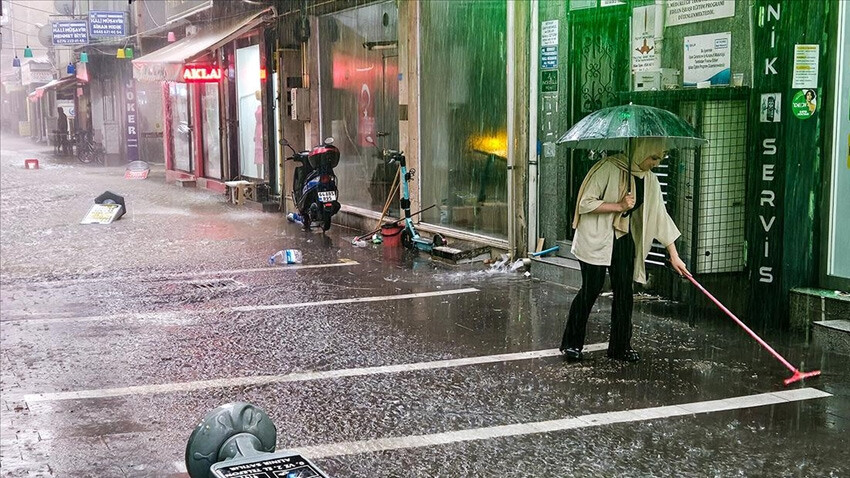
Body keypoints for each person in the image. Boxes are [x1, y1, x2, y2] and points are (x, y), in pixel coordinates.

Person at [560, 137, 689, 363]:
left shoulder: (649, 179)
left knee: (624, 293)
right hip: (596, 236)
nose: (656, 163)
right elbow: (584, 203)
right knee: (592, 288)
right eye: (653, 157)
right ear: (640, 151)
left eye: (660, 158)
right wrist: (619, 206)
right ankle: (572, 344)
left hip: (623, 238)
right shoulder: (607, 167)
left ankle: (620, 347)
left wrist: (674, 255)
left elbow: (660, 217)